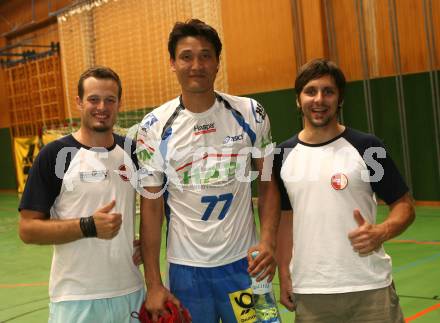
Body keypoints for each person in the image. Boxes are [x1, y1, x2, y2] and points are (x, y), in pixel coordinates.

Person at [136, 19, 280, 323]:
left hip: (246, 268)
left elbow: (268, 183)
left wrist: (267, 242)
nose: (196, 65)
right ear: (173, 63)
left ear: (217, 63)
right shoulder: (153, 127)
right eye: (186, 56)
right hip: (187, 274)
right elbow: (151, 207)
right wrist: (153, 283)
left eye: (205, 56)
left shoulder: (251, 114)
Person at [274, 58, 416, 323]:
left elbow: (404, 205)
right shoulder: (281, 155)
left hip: (370, 288)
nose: (319, 99)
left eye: (328, 91)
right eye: (310, 91)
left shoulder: (368, 147)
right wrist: (284, 272)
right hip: (312, 291)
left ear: (339, 99)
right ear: (297, 99)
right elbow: (285, 218)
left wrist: (381, 231)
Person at [18, 66, 145, 323]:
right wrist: (87, 226)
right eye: (93, 99)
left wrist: (148, 244)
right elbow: (28, 229)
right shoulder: (55, 154)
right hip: (76, 297)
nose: (102, 107)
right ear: (78, 102)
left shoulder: (132, 152)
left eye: (110, 100)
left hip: (130, 290)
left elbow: (155, 203)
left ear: (119, 103)